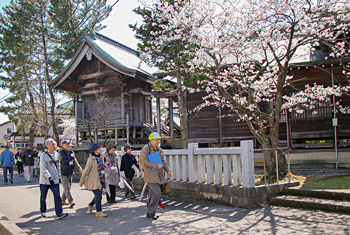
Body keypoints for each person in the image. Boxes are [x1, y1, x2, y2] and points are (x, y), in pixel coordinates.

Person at [139, 132, 172, 220]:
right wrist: (155, 165)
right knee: (157, 193)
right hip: (150, 176)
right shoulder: (145, 149)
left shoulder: (159, 150)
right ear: (151, 140)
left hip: (159, 175)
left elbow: (163, 161)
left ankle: (149, 212)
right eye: (156, 140)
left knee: (152, 193)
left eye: (159, 140)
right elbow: (143, 162)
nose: (158, 141)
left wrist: (168, 170)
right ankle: (151, 212)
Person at [40, 139, 68, 220]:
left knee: (57, 196)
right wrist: (49, 177)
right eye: (53, 144)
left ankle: (59, 212)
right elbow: (43, 168)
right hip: (45, 180)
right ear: (48, 146)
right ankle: (43, 211)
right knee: (43, 196)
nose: (55, 146)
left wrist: (59, 177)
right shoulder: (43, 155)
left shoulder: (56, 154)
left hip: (55, 179)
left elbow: (58, 166)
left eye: (55, 144)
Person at [79, 143, 107, 217]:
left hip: (101, 179)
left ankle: (90, 205)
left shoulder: (100, 157)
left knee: (98, 195)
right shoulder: (91, 159)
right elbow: (86, 171)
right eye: (98, 148)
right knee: (98, 196)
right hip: (93, 181)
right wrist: (81, 181)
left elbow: (102, 165)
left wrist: (105, 165)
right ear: (94, 150)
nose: (100, 149)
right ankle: (98, 212)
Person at [59, 140, 83, 208]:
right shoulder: (60, 153)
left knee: (68, 187)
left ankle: (62, 200)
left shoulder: (71, 152)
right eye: (66, 144)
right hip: (63, 173)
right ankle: (70, 201)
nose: (68, 145)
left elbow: (74, 161)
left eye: (69, 144)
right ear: (63, 145)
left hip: (70, 172)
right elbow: (58, 163)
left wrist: (80, 169)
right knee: (67, 187)